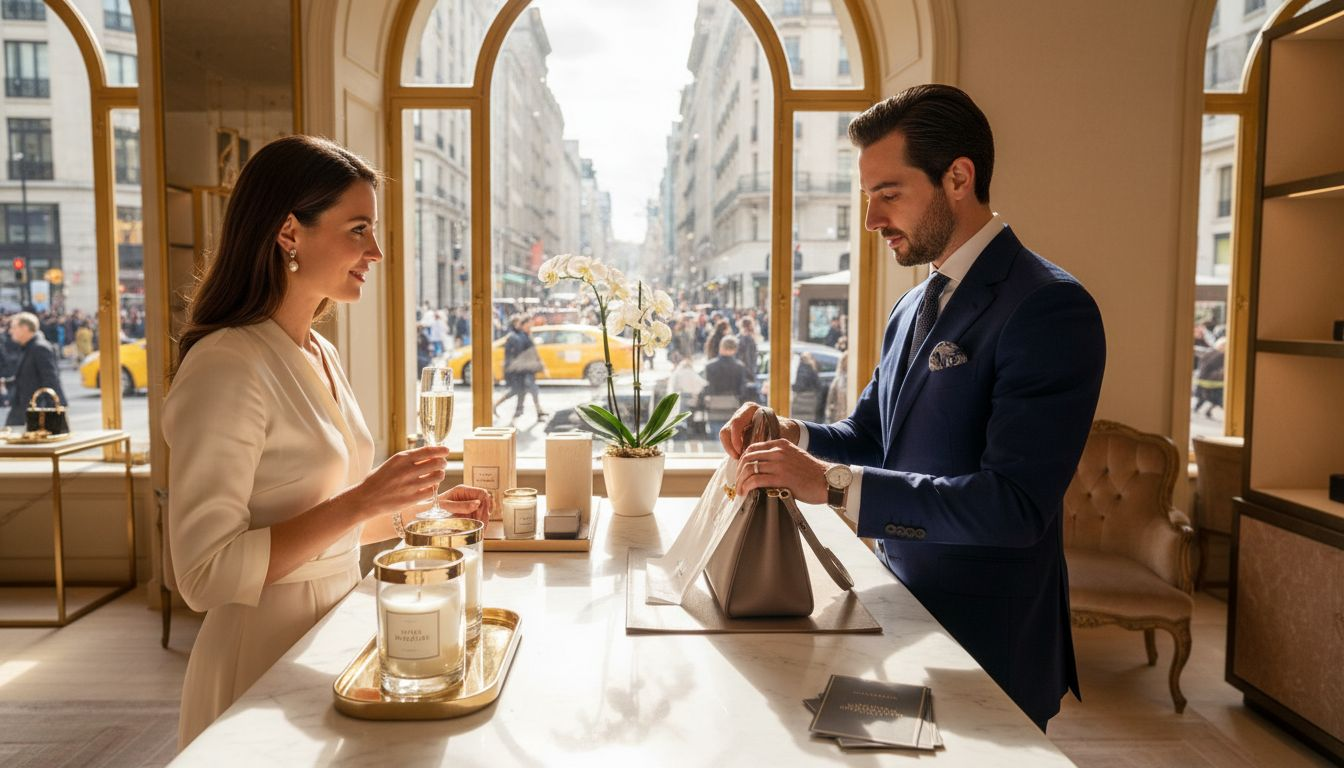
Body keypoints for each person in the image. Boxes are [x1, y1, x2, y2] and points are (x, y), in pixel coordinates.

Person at [722, 84, 1106, 731]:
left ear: (959, 177)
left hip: (990, 645)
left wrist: (829, 485)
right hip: (899, 613)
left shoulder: (1049, 308)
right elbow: (872, 433)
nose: (871, 220)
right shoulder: (911, 305)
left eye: (888, 194)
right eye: (867, 196)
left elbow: (1013, 508)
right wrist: (788, 432)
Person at [162, 135, 493, 749]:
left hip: (332, 642)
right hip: (256, 663)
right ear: (290, 232)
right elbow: (204, 575)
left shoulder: (319, 352)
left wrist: (420, 513)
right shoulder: (227, 365)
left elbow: (326, 531)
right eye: (358, 228)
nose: (376, 250)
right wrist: (364, 501)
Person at [5, 312, 67, 427]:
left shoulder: (39, 348)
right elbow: (27, 377)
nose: (10, 331)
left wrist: (51, 412)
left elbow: (50, 380)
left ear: (25, 328)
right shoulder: (27, 347)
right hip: (23, 410)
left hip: (37, 411)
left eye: (13, 327)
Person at [791, 351, 825, 422]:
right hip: (810, 407)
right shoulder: (812, 371)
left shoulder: (798, 371)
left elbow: (797, 387)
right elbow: (818, 388)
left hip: (799, 406)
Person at [823, 353, 849, 423]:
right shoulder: (838, 380)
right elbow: (830, 399)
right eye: (845, 361)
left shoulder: (853, 379)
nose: (847, 364)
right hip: (839, 416)